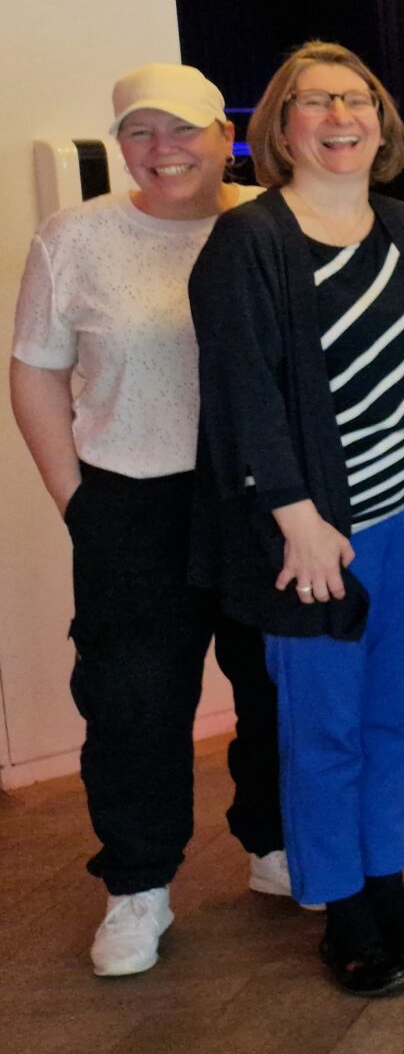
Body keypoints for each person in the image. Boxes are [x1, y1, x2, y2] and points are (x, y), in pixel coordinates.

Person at [189, 42, 404, 998]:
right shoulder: (251, 240)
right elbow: (242, 393)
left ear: (379, 122)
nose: (339, 115)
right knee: (323, 727)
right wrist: (296, 518)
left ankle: (390, 891)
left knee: (395, 715)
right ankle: (343, 914)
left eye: (355, 99)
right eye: (314, 102)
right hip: (314, 533)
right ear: (281, 128)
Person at [10, 64, 288, 977]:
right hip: (132, 496)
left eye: (184, 129)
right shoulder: (76, 237)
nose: (162, 148)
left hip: (259, 497)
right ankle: (137, 885)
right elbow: (37, 369)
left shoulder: (273, 223)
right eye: (140, 131)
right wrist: (76, 499)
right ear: (122, 143)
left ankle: (276, 844)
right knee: (133, 701)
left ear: (225, 134)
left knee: (276, 683)